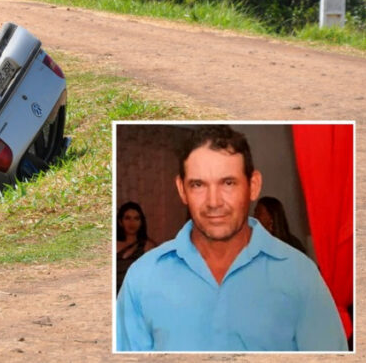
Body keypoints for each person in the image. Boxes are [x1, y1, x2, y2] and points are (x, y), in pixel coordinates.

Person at [116, 125, 347, 351]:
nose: (214, 201)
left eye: (228, 183)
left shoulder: (299, 275)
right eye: (198, 184)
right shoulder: (144, 277)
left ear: (253, 186)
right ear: (181, 189)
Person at [116, 201, 156, 294]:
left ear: (141, 222)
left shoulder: (148, 246)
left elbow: (152, 278)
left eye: (136, 218)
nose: (132, 222)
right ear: (120, 222)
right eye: (127, 218)